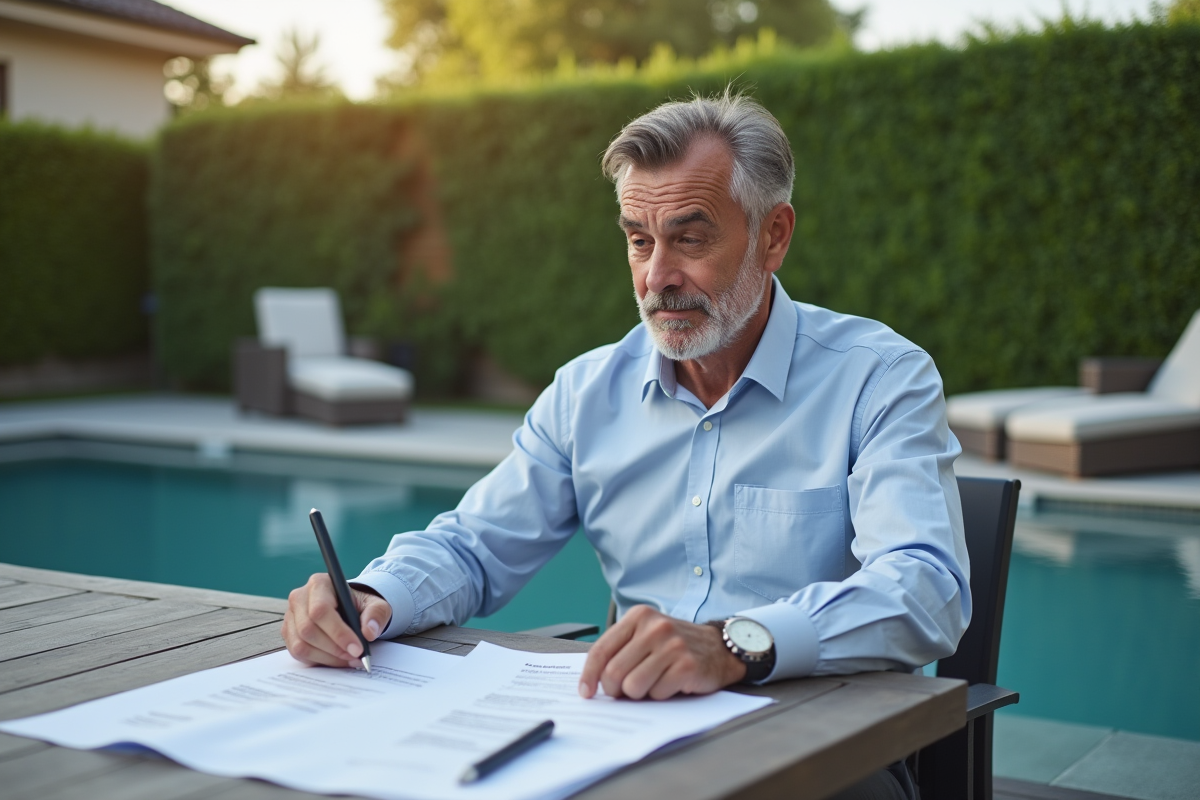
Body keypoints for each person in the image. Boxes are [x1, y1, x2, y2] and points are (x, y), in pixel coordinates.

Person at [282, 89, 969, 800]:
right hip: (628, 739)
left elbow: (926, 588)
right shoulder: (586, 393)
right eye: (639, 240)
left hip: (823, 746)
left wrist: (733, 645)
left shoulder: (879, 379)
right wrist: (370, 596)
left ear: (774, 235)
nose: (656, 277)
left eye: (690, 239)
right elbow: (475, 546)